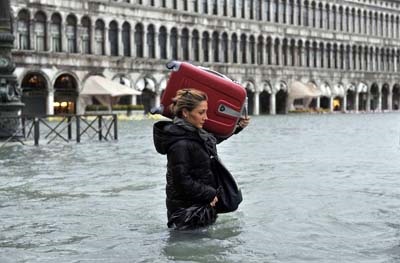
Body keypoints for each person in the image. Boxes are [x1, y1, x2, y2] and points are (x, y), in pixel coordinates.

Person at [153, 88, 250, 229]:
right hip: (186, 214)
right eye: (201, 112)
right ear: (185, 113)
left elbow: (211, 141)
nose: (206, 117)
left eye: (205, 111)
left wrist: (237, 127)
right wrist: (210, 194)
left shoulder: (196, 133)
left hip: (199, 208)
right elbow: (182, 181)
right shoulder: (179, 143)